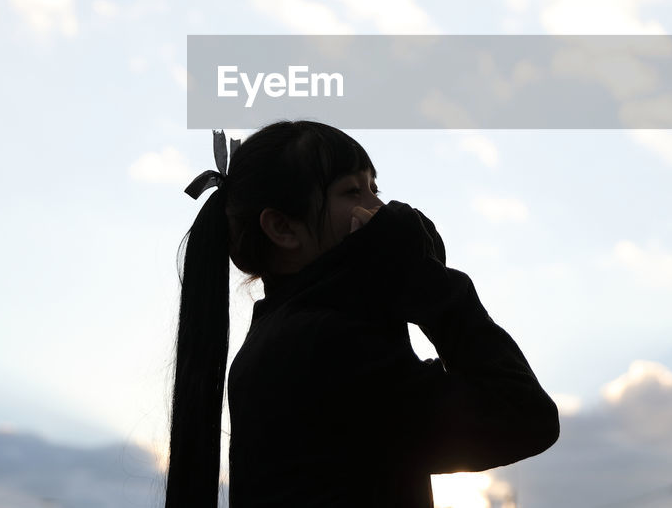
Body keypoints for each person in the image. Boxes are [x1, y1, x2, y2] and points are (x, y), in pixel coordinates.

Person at [165, 120, 560, 507]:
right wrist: (425, 278)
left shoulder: (294, 336)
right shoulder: (322, 345)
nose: (379, 209)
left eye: (375, 187)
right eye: (352, 191)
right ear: (284, 228)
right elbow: (524, 415)